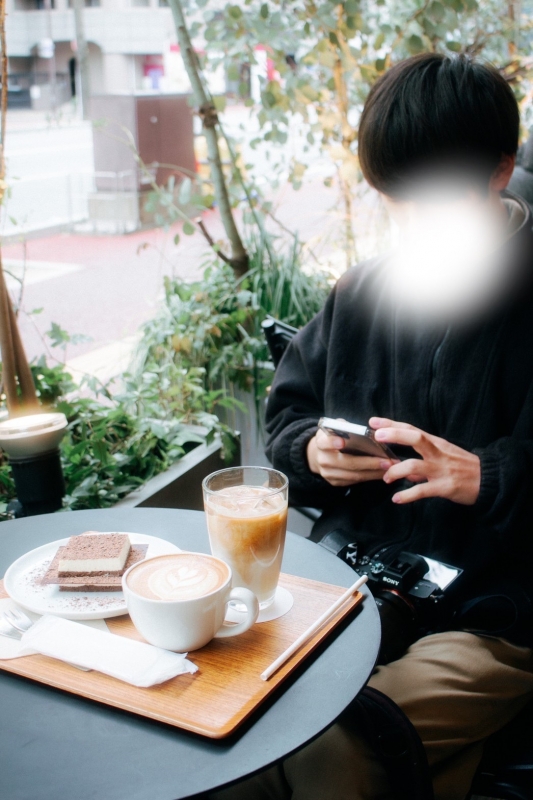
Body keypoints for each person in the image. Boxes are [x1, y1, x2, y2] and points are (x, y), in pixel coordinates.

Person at [212, 53, 533, 800]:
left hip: (501, 611)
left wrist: (490, 477)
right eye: (398, 200)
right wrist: (315, 453)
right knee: (237, 724)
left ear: (499, 172)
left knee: (336, 754)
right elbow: (287, 416)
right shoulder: (363, 292)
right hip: (360, 583)